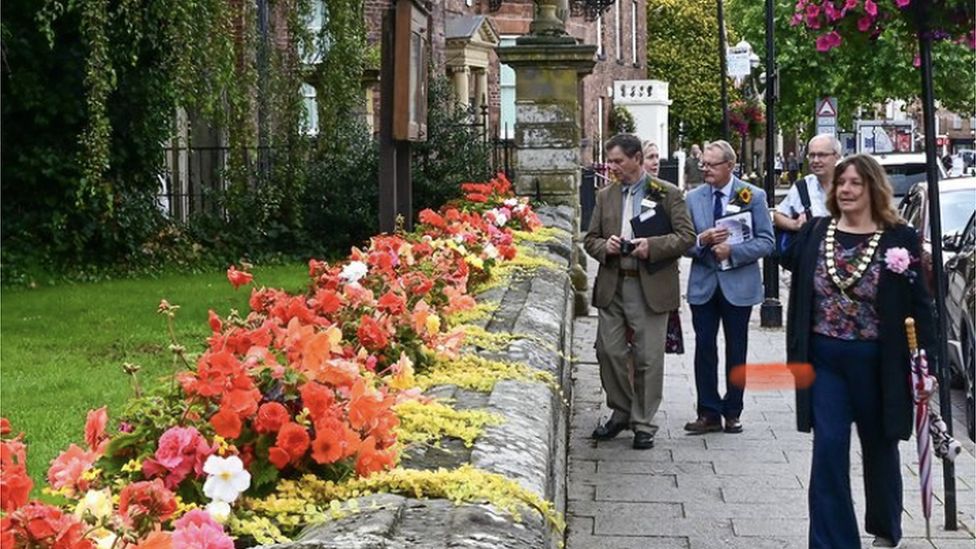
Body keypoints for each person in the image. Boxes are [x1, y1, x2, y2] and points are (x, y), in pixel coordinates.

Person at [780, 154, 936, 549]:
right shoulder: (817, 231)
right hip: (825, 359)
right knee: (829, 447)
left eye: (855, 183)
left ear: (872, 189)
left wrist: (926, 365)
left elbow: (921, 305)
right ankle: (833, 541)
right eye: (841, 183)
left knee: (879, 448)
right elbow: (784, 260)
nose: (846, 190)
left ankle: (884, 527)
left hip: (878, 362)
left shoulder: (898, 237)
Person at [584, 134, 696, 449]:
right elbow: (590, 238)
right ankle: (621, 412)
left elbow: (686, 237)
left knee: (648, 358)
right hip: (613, 282)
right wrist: (604, 246)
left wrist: (653, 246)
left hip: (650, 285)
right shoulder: (605, 196)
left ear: (636, 158)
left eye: (618, 161)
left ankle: (643, 422)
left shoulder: (667, 193)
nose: (613, 167)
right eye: (611, 162)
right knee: (609, 351)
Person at [683, 140, 774, 434]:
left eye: (711, 165)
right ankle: (708, 412)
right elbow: (683, 241)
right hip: (704, 285)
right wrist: (701, 241)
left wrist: (733, 252)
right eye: (704, 164)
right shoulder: (693, 198)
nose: (705, 169)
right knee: (704, 347)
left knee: (737, 349)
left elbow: (766, 241)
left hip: (738, 285)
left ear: (730, 166)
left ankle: (733, 410)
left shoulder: (753, 196)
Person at [773, 134, 841, 251]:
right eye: (811, 155)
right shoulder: (803, 186)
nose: (815, 160)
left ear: (837, 156)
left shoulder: (850, 185)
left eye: (822, 155)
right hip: (812, 258)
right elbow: (778, 216)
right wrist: (796, 225)